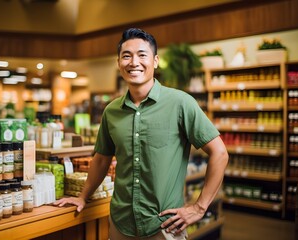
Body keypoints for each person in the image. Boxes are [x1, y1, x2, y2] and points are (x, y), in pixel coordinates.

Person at [54, 28, 229, 239]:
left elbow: (219, 153)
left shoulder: (180, 103)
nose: (133, 62)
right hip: (121, 223)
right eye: (126, 56)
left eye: (142, 55)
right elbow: (101, 159)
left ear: (155, 61)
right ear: (119, 63)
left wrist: (199, 208)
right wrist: (83, 197)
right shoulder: (111, 111)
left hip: (165, 226)